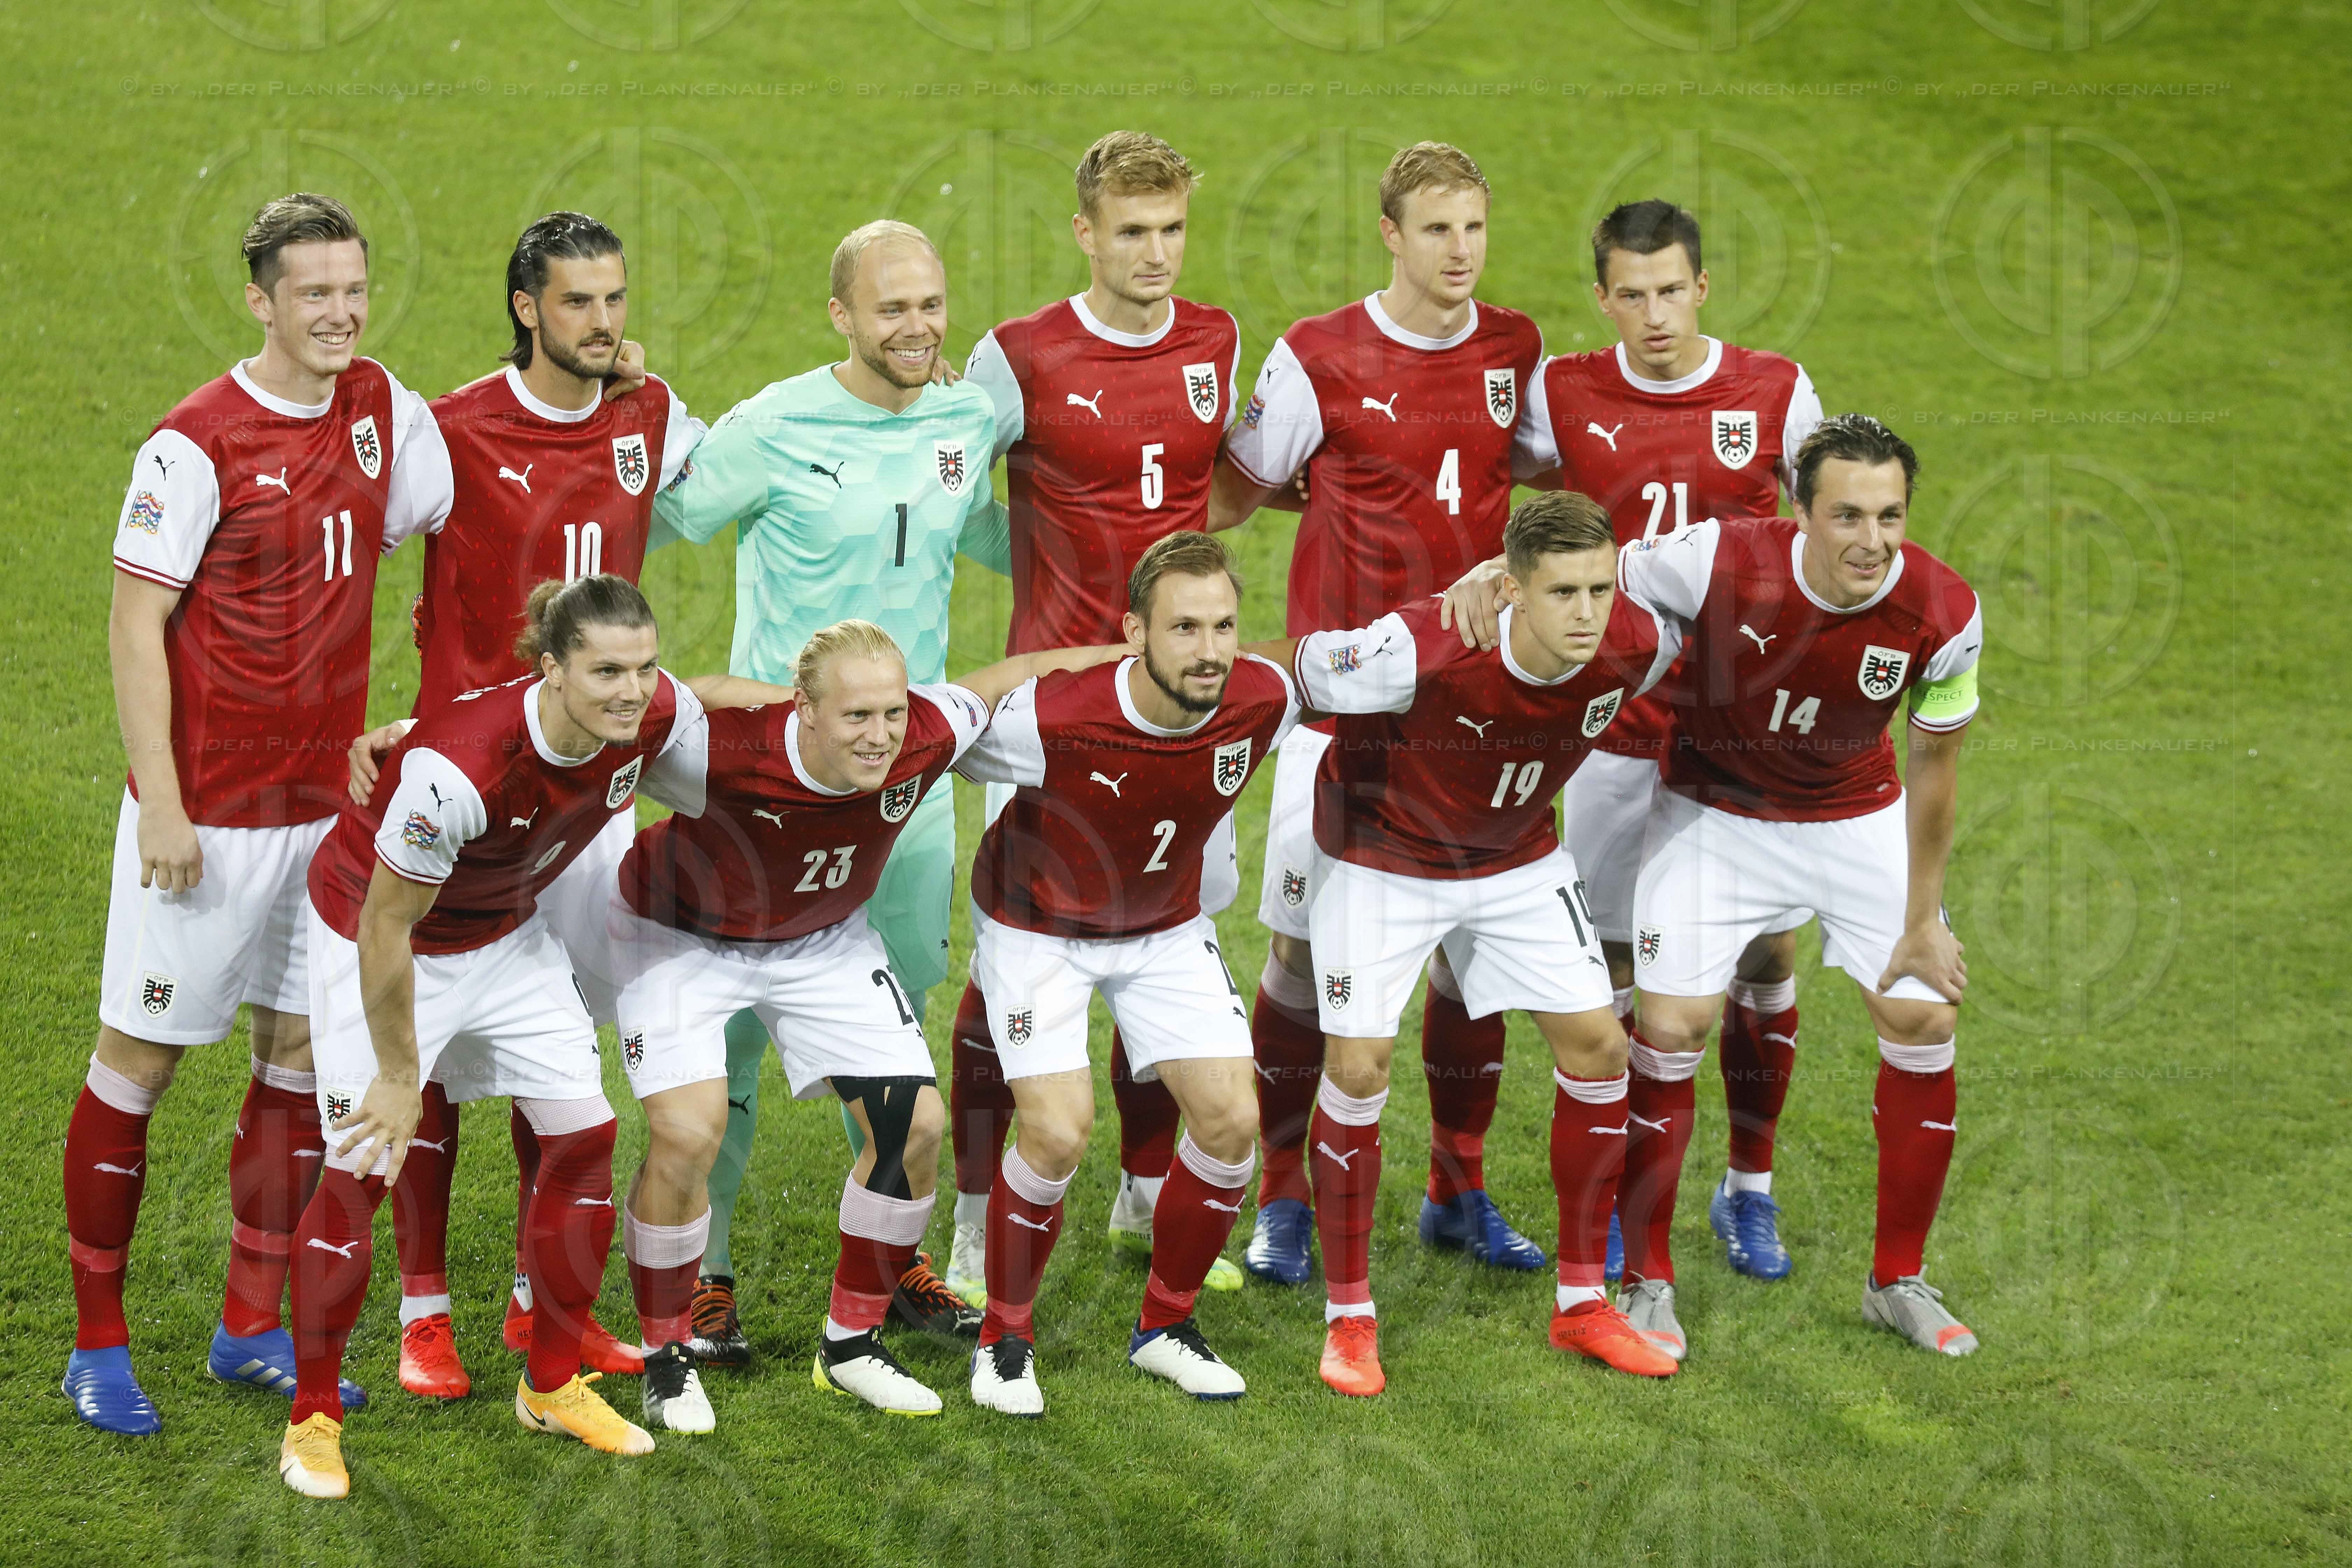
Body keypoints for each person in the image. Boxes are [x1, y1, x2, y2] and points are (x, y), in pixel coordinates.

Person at [64, 192, 446, 1435]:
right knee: (140, 1065)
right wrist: (163, 805)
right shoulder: (195, 444)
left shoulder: (384, 409)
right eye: (314, 293)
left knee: (293, 1060)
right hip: (210, 822)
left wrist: (617, 372)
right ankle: (99, 1345)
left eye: (354, 288)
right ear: (261, 300)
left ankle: (247, 1324)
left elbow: (474, 488)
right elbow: (136, 625)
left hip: (326, 822)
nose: (339, 314)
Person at [278, 576, 764, 1497]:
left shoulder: (649, 714)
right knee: (359, 1168)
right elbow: (387, 927)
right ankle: (311, 1422)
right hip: (381, 937)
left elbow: (718, 701)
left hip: (505, 929)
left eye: (644, 667)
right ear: (550, 669)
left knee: (584, 1133)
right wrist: (395, 1073)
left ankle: (548, 1387)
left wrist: (814, 705)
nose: (631, 689)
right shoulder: (459, 770)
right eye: (606, 671)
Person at [648, 218, 1011, 1361]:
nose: (917, 327)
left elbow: (1003, 536)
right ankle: (704, 1279)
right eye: (890, 308)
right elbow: (667, 513)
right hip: (769, 794)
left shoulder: (966, 417)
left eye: (931, 304)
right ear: (841, 317)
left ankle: (890, 1261)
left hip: (903, 794)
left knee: (895, 1052)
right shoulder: (772, 427)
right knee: (736, 1051)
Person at [607, 621, 1118, 1428]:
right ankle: (665, 1356)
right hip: (679, 936)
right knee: (688, 1130)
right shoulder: (721, 751)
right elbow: (619, 710)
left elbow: (1014, 671)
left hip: (822, 939)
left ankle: (848, 1344)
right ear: (803, 708)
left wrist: (1141, 655)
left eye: (890, 713)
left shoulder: (923, 735)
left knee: (916, 1124)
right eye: (855, 718)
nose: (880, 737)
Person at [1210, 141, 1548, 1286]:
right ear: (1392, 236)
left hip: (1479, 713)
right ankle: (1286, 1197)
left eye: (1476, 229)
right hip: (1343, 719)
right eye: (1437, 230)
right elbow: (1238, 486)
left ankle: (1459, 1186)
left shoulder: (1515, 350)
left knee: (1471, 966)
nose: (1460, 252)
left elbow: (1538, 466)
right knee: (1301, 962)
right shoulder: (1317, 355)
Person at [1259, 493, 1683, 1394]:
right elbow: (1284, 673)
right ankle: (1350, 1319)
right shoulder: (1419, 647)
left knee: (1603, 1045)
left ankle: (1581, 1302)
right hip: (1382, 854)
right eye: (1562, 591)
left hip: (1517, 858)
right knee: (1362, 1064)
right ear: (1512, 591)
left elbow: (1708, 599)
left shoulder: (1635, 644)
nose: (1586, 612)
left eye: (1600, 589)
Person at [379, 209, 698, 1401]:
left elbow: (713, 479)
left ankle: (536, 1304)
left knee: (560, 1048)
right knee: (440, 1053)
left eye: (615, 299)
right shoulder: (446, 433)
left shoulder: (646, 417)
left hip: (589, 803)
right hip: (468, 795)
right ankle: (423, 1316)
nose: (604, 323)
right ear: (526, 308)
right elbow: (354, 553)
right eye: (578, 303)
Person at [1499, 198, 1827, 1293]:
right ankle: (1620, 1219)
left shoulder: (1776, 393)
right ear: (1602, 299)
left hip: (1743, 744)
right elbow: (1500, 499)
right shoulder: (1565, 394)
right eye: (1629, 295)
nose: (1652, 315)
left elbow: (1828, 546)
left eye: (1671, 290)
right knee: (1619, 971)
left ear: (1703, 288)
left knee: (1767, 959)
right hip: (1612, 734)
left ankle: (1750, 1186)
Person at [947, 129, 1246, 1307]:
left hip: (1179, 705)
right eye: (1132, 232)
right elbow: (944, 473)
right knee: (1005, 968)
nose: (1157, 253)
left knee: (1162, 939)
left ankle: (1142, 1186)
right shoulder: (1017, 355)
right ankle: (974, 1221)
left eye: (1172, 229)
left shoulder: (1216, 341)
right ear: (1087, 233)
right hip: (1048, 720)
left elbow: (1222, 483)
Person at [1610, 415, 1982, 1361]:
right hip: (1715, 815)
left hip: (1856, 822)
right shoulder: (1716, 558)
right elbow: (1602, 572)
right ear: (1800, 510)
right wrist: (1501, 576)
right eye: (1849, 516)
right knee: (1670, 1027)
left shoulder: (1944, 611)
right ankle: (1648, 1279)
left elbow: (1935, 768)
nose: (1873, 541)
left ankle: (1897, 1281)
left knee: (1924, 1020)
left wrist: (1922, 918)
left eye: (1891, 516)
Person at [958, 533, 1294, 1416]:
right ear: (1134, 633)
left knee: (1231, 1122)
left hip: (1165, 924)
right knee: (1060, 1132)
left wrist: (1490, 593)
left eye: (1224, 625)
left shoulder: (1260, 697)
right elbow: (939, 730)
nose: (1211, 649)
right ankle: (1004, 1337)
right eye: (1185, 627)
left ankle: (1166, 1328)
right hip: (1038, 926)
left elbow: (1353, 659)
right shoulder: (1054, 716)